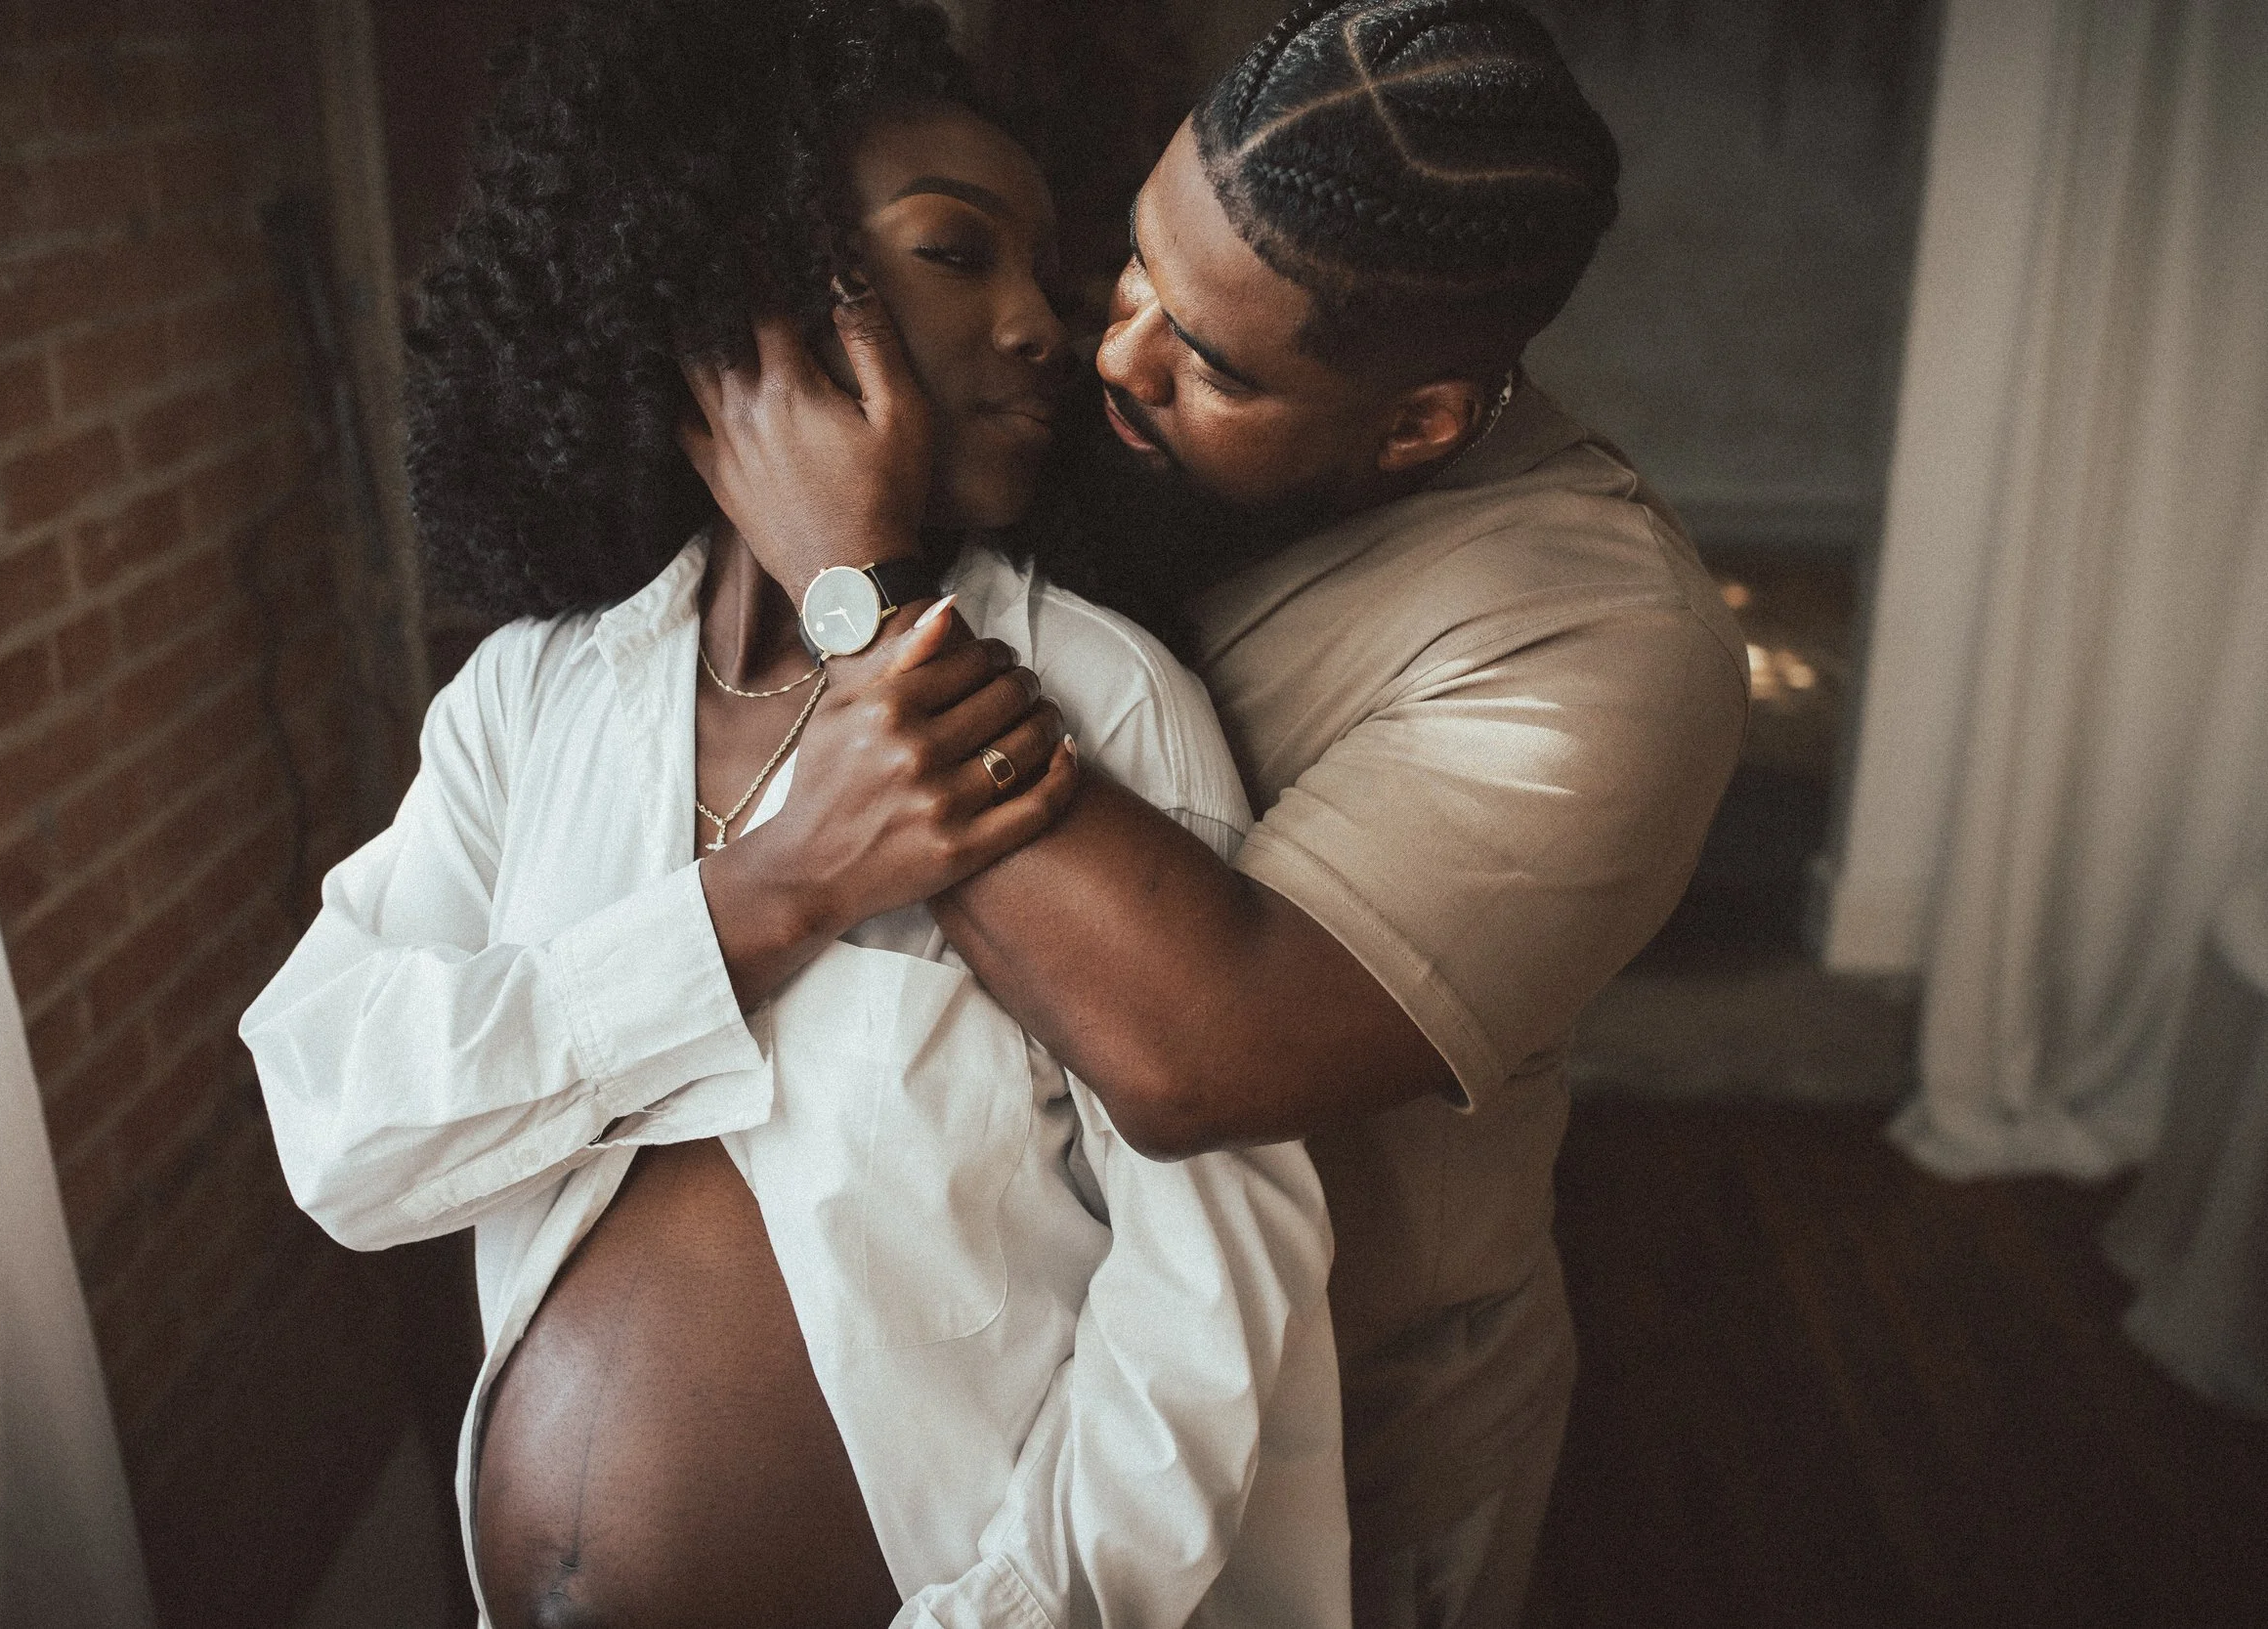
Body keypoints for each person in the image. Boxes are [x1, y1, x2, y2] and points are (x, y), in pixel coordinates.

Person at [238, 3, 1350, 1626]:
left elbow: (1218, 1288)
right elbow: (343, 1134)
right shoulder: (533, 702)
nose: (1045, 323)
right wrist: (762, 898)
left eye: (1047, 267)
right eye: (957, 251)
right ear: (732, 271)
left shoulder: (1094, 704)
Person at [679, 3, 1753, 1626]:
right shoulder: (1141, 412)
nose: (1115, 351)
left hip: (1351, 1462)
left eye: (1214, 360)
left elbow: (1197, 1045)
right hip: (1017, 1422)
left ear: (1420, 425)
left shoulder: (1605, 644)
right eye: (1137, 268)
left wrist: (861, 590)